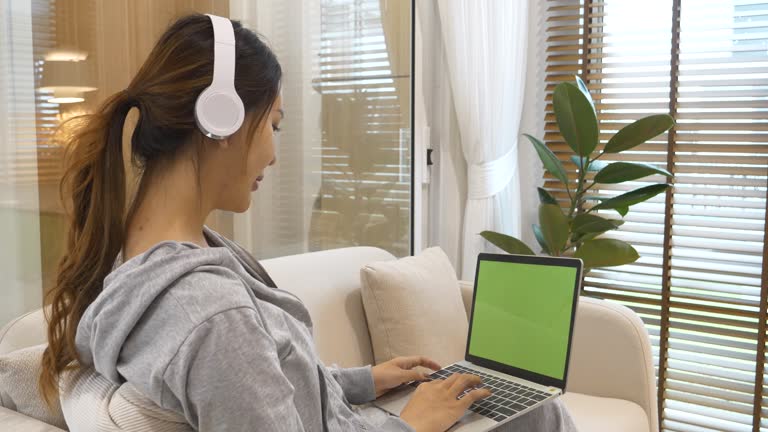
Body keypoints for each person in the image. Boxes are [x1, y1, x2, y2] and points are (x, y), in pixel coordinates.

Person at [38, 14, 578, 432]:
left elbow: (263, 386)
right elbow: (239, 368)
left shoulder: (147, 258)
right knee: (541, 417)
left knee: (519, 409)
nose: (273, 154)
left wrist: (366, 380)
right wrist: (411, 422)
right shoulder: (210, 316)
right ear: (220, 118)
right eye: (273, 123)